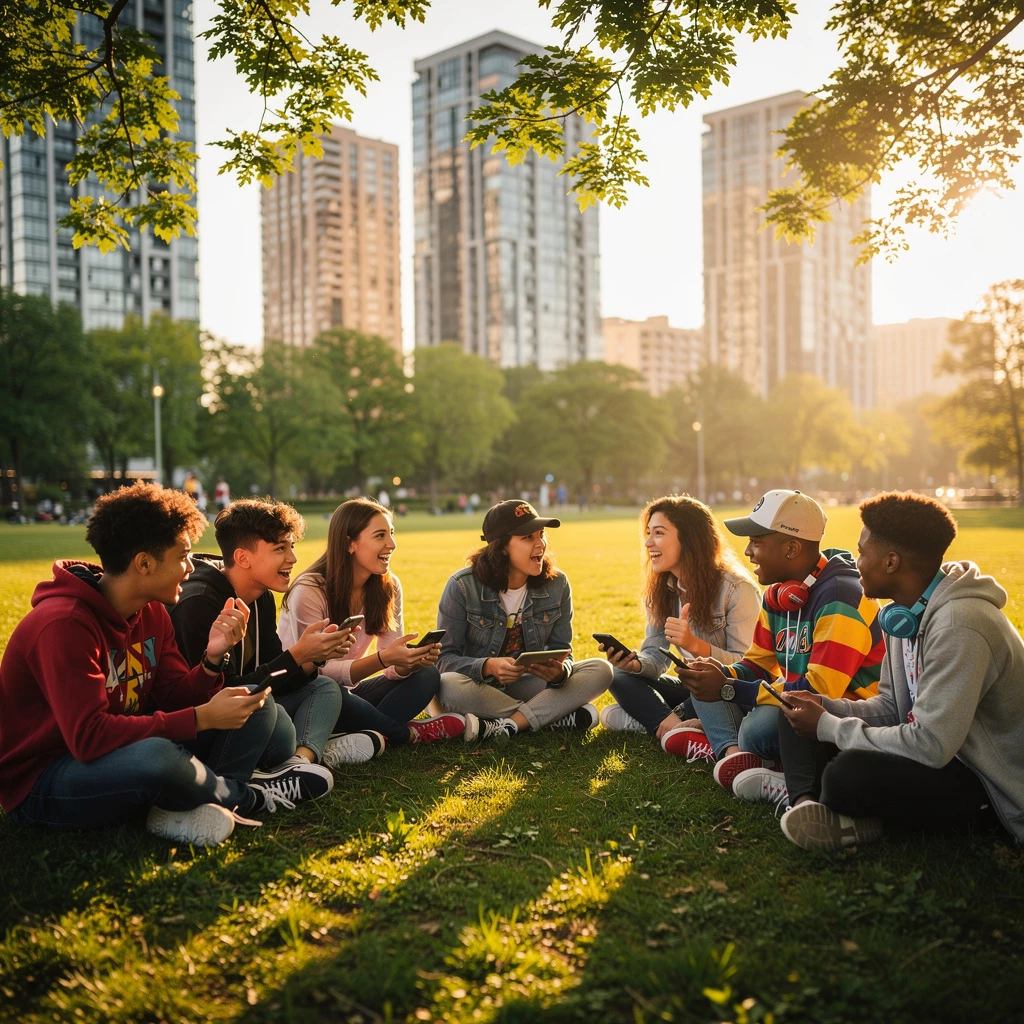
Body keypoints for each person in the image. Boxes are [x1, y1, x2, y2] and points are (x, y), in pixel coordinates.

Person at [0, 482, 289, 847]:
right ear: (144, 563)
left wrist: (212, 659)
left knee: (250, 700)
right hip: (46, 780)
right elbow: (89, 737)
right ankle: (245, 797)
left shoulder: (151, 612)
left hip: (126, 751)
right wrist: (202, 718)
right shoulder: (64, 624)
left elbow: (172, 696)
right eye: (183, 556)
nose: (191, 567)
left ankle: (195, 800)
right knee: (157, 755)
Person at [779, 491, 1024, 850]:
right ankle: (804, 805)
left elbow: (931, 744)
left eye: (862, 552)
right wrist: (828, 708)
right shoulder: (902, 615)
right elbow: (893, 708)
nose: (855, 560)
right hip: (939, 758)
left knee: (849, 774)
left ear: (891, 562)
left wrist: (829, 727)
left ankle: (832, 806)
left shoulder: (961, 625)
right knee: (792, 712)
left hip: (986, 781)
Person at [674, 490, 884, 806]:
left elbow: (817, 692)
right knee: (704, 680)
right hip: (787, 702)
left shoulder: (843, 598)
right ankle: (736, 755)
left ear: (791, 548)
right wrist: (720, 675)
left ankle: (735, 749)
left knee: (756, 730)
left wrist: (729, 689)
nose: (747, 551)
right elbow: (756, 665)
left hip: (836, 718)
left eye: (756, 542)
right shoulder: (779, 594)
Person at [170, 498, 376, 800]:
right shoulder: (199, 603)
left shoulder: (261, 595)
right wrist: (298, 655)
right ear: (243, 557)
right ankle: (294, 756)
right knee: (274, 719)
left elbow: (272, 673)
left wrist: (311, 657)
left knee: (324, 688)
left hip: (256, 710)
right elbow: (217, 697)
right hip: (219, 725)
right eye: (280, 549)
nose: (293, 558)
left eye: (291, 546)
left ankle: (300, 762)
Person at [281, 498, 467, 757]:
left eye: (391, 534)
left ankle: (358, 734)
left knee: (427, 676)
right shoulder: (310, 590)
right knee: (331, 690)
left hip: (348, 696)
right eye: (380, 535)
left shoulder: (387, 586)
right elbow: (315, 673)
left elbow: (391, 664)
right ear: (349, 543)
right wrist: (381, 660)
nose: (391, 544)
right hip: (306, 697)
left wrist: (407, 662)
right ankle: (407, 734)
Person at [598, 495, 761, 760]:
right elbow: (655, 656)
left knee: (618, 714)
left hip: (728, 693)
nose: (649, 542)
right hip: (693, 687)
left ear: (690, 539)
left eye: (659, 533)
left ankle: (668, 725)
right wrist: (634, 664)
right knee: (617, 675)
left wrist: (694, 645)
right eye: (648, 533)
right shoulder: (663, 589)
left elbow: (750, 669)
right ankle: (675, 727)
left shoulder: (737, 591)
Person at [436, 500, 612, 740]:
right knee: (446, 684)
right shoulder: (462, 586)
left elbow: (563, 651)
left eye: (541, 534)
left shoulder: (557, 584)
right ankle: (549, 715)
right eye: (528, 537)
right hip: (480, 687)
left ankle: (508, 724)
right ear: (502, 547)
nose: (540, 544)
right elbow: (444, 659)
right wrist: (488, 666)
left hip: (529, 684)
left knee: (601, 670)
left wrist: (560, 673)